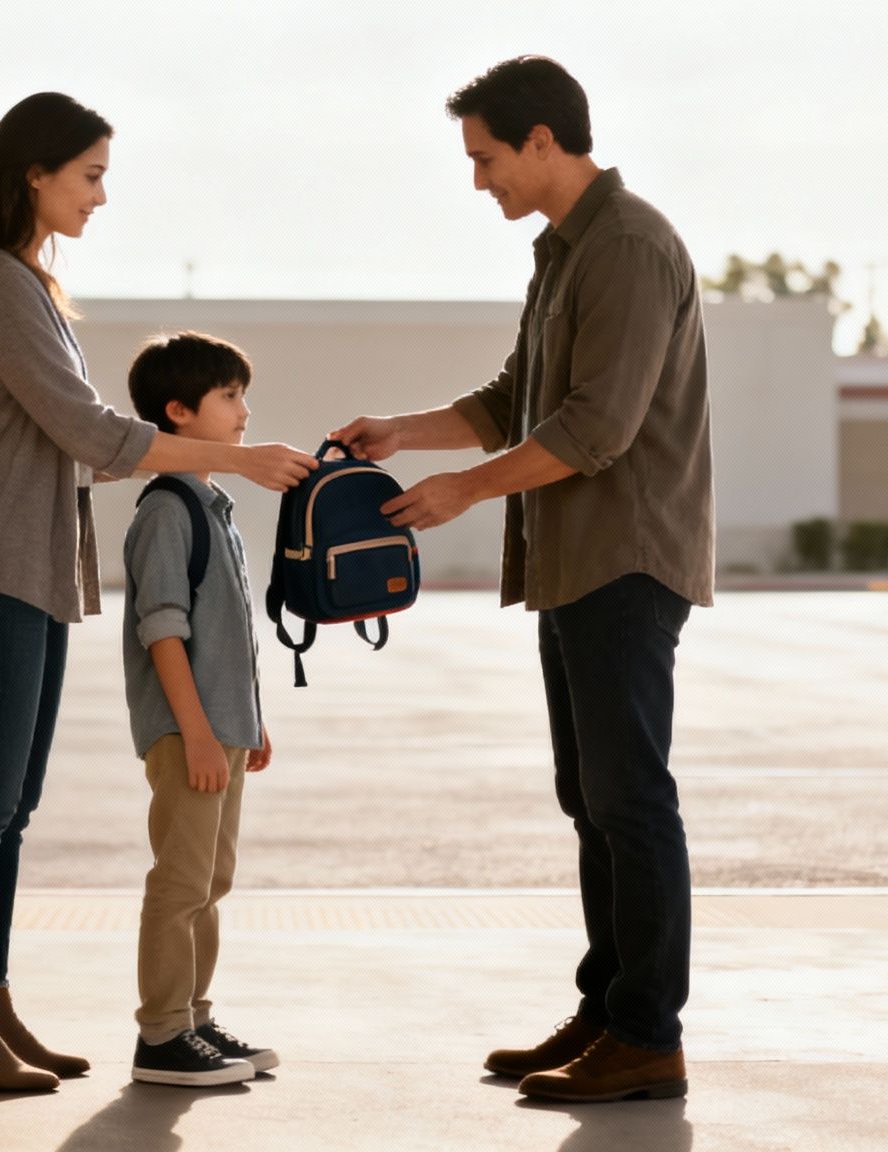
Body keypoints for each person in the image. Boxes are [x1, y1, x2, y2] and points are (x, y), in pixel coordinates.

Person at [0, 93, 316, 1094]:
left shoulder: (21, 283)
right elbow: (91, 433)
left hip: (30, 569)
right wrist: (238, 457)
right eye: (87, 174)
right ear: (32, 172)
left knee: (12, 806)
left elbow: (65, 447)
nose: (99, 195)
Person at [331, 56, 715, 1104]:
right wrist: (400, 436)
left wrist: (461, 490)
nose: (478, 180)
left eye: (485, 157)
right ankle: (606, 1010)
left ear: (543, 141)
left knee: (630, 801)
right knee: (589, 798)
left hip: (624, 560)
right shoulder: (562, 251)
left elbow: (594, 429)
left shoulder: (629, 249)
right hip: (572, 564)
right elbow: (518, 396)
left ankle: (648, 1034)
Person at [121, 333, 280, 1088]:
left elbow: (227, 634)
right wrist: (197, 734)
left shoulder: (216, 505)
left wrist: (249, 721)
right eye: (228, 396)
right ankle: (160, 1036)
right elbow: (164, 629)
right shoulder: (168, 509)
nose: (244, 411)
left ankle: (196, 1020)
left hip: (221, 731)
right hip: (190, 734)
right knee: (181, 883)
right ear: (177, 413)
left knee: (211, 883)